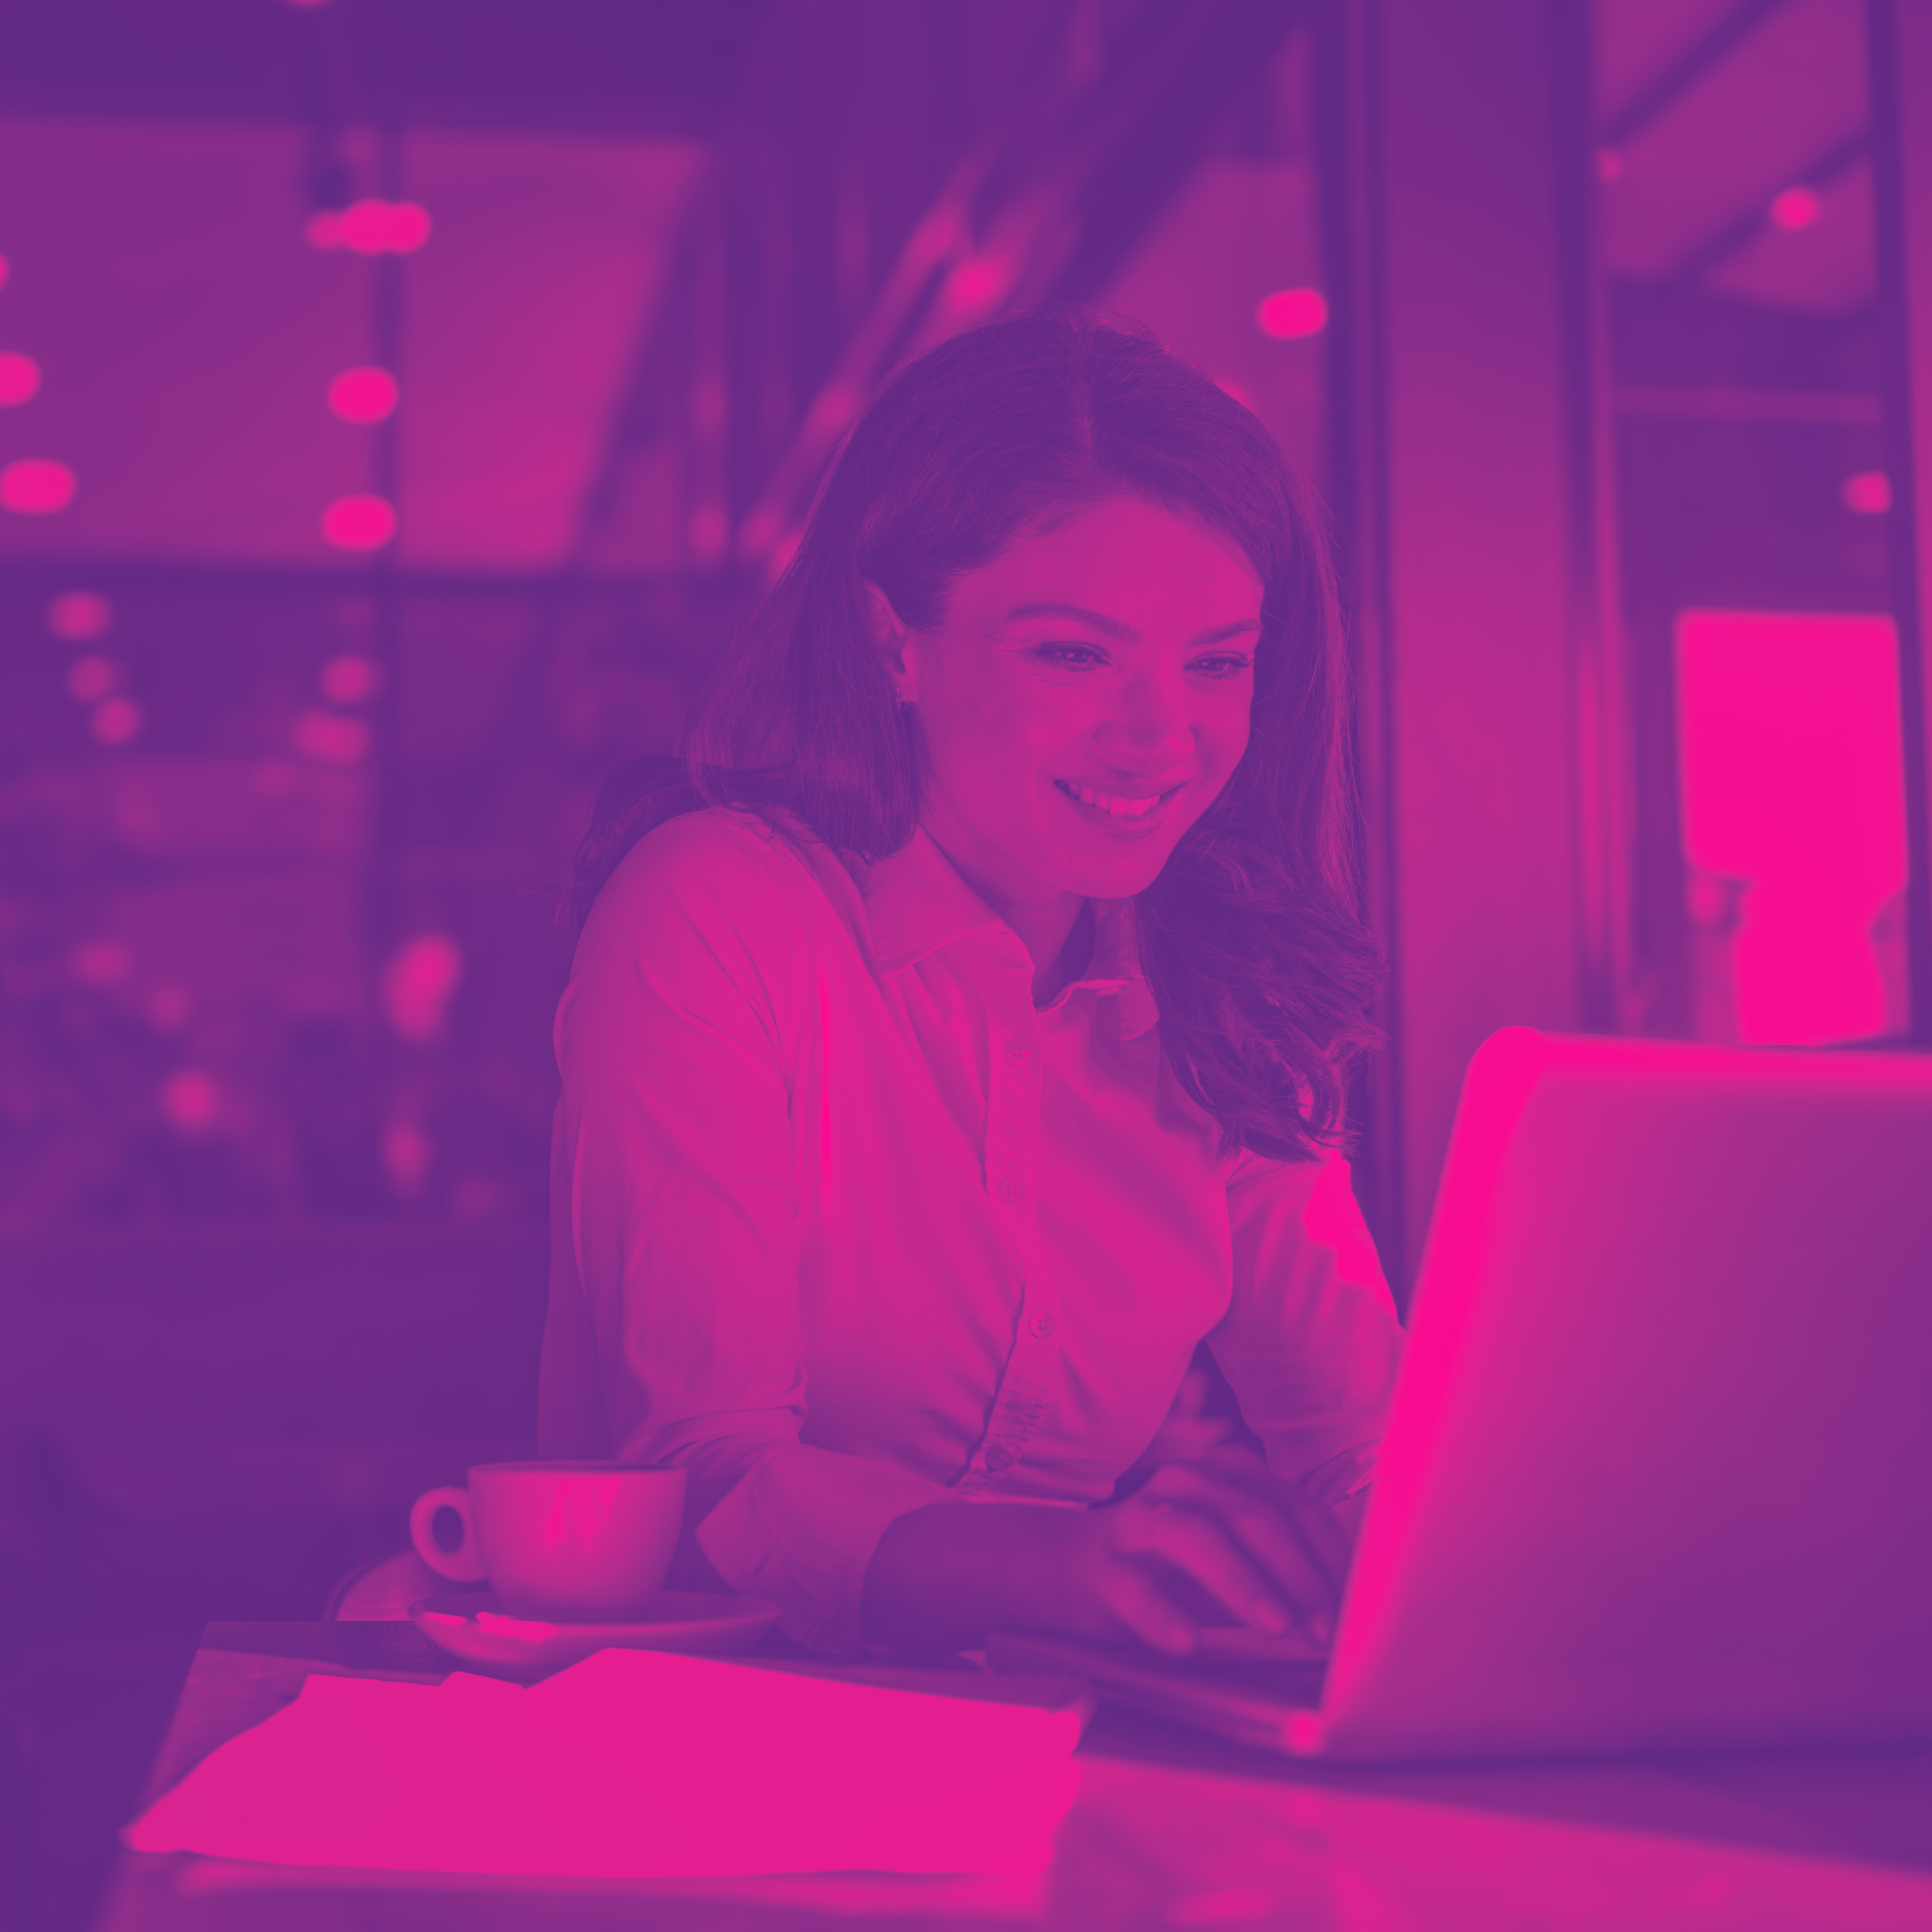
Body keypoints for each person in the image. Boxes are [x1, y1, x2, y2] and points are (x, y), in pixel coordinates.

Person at [541, 309, 1404, 1660]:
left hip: (1062, 1750)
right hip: (717, 1748)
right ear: (894, 644)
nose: (1161, 737)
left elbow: (1361, 1442)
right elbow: (700, 1472)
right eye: (1073, 653)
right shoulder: (717, 906)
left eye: (1218, 663)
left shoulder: (1226, 977)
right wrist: (1057, 1571)